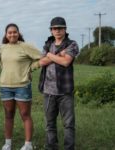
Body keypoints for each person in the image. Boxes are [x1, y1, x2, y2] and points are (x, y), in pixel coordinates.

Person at [0, 23, 41, 150]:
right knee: (8, 115)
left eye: (14, 32)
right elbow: (1, 63)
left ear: (19, 33)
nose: (12, 34)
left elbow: (42, 58)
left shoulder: (26, 47)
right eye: (9, 32)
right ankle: (8, 144)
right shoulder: (3, 48)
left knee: (25, 114)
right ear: (6, 35)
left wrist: (30, 69)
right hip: (5, 86)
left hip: (22, 86)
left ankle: (28, 145)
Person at [38, 17, 79, 150]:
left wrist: (49, 55)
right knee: (50, 124)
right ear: (51, 30)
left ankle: (69, 148)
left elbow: (66, 62)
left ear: (65, 29)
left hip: (65, 91)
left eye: (60, 28)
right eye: (55, 28)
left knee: (68, 124)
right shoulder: (47, 44)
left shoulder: (71, 44)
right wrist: (56, 55)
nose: (57, 30)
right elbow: (41, 62)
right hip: (48, 91)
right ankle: (51, 147)